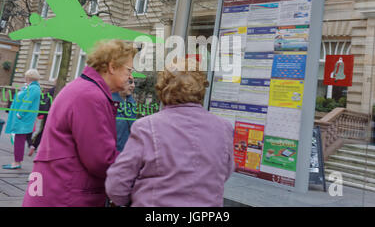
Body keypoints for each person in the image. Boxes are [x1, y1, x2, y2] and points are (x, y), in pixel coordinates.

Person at [105, 58, 235, 207]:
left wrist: (132, 199)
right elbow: (224, 172)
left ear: (162, 88)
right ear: (201, 89)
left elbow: (117, 184)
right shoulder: (224, 127)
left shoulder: (147, 127)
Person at [22, 39, 137, 207]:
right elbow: (101, 159)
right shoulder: (90, 96)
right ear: (112, 67)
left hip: (58, 190)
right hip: (67, 196)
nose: (131, 76)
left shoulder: (85, 89)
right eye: (129, 69)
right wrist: (140, 167)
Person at [2, 69, 41, 170]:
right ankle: (16, 161)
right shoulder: (29, 87)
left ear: (29, 77)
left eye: (26, 76)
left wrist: (20, 114)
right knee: (18, 140)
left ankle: (17, 162)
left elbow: (27, 102)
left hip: (23, 118)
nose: (25, 78)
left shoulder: (34, 88)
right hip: (21, 118)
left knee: (19, 140)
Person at [27, 84, 55, 157]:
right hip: (51, 113)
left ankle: (34, 144)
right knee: (45, 130)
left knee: (44, 130)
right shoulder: (57, 89)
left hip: (48, 112)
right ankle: (34, 144)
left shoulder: (52, 89)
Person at [112, 78, 137, 152]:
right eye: (130, 82)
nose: (133, 86)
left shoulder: (130, 102)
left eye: (133, 82)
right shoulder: (110, 102)